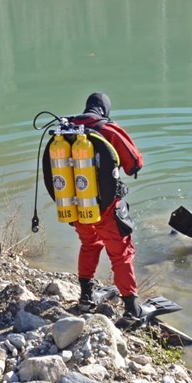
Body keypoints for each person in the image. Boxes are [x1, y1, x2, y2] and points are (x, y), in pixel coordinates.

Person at [65, 93, 145, 327]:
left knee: (89, 244)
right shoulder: (108, 129)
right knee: (121, 253)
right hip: (107, 207)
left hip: (77, 205)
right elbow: (134, 164)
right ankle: (131, 309)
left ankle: (85, 297)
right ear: (105, 110)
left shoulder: (67, 129)